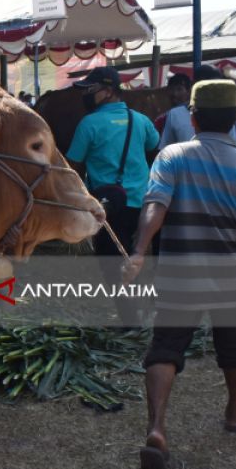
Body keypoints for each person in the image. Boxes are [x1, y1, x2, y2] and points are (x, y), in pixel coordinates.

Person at [123, 80, 236, 469]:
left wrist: (139, 251)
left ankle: (157, 427)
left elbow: (155, 206)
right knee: (235, 348)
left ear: (192, 117)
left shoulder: (172, 156)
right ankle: (233, 414)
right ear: (233, 120)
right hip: (231, 276)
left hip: (180, 274)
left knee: (166, 348)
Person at [66, 66, 160, 324]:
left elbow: (72, 166)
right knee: (135, 255)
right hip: (141, 204)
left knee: (112, 262)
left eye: (90, 90)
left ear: (108, 92)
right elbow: (154, 148)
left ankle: (130, 319)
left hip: (107, 207)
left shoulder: (89, 124)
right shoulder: (140, 120)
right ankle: (137, 309)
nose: (86, 95)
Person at [158, 74, 194, 149]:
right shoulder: (161, 119)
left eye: (179, 89)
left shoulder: (200, 114)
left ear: (189, 91)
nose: (175, 94)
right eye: (171, 89)